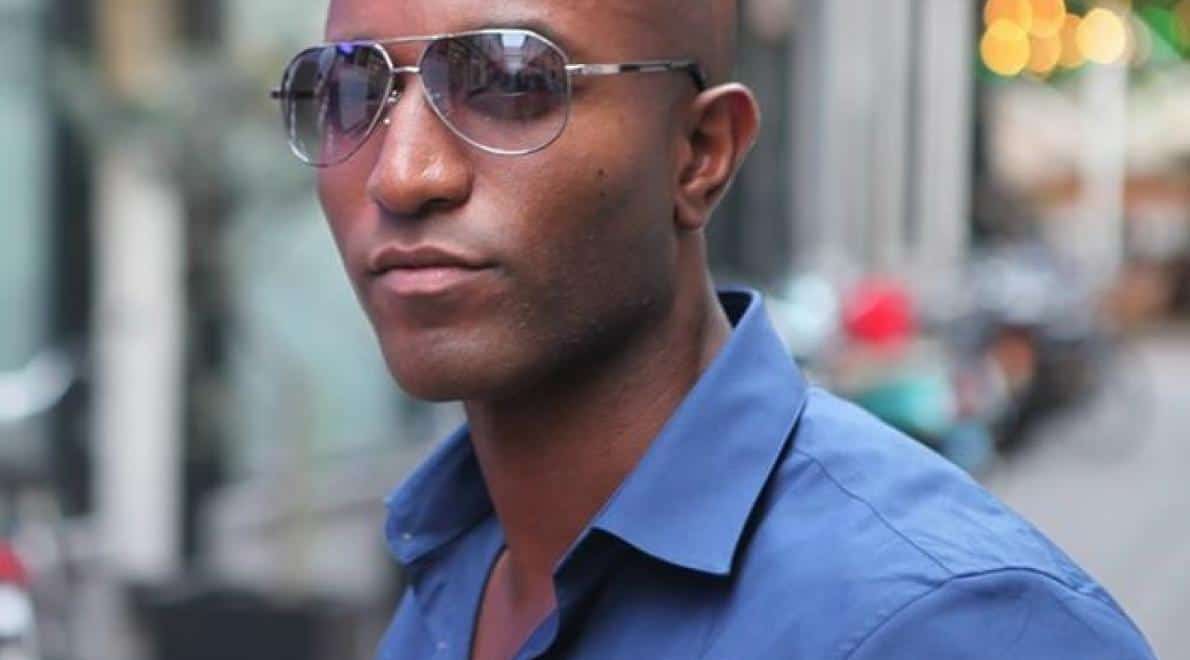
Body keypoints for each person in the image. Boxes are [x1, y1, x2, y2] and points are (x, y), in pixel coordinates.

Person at [273, 0, 1156, 657]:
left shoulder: (946, 625)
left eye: (510, 82)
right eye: (352, 89)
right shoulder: (453, 564)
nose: (402, 174)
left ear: (701, 153)